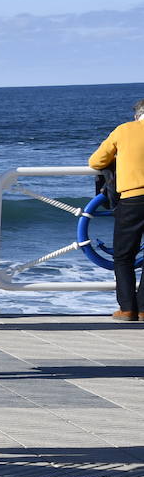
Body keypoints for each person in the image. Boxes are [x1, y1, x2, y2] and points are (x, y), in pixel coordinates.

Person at [88, 98, 144, 321]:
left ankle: (128, 309)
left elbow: (96, 161)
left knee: (123, 257)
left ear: (136, 115)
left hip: (133, 198)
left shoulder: (124, 130)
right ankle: (143, 308)